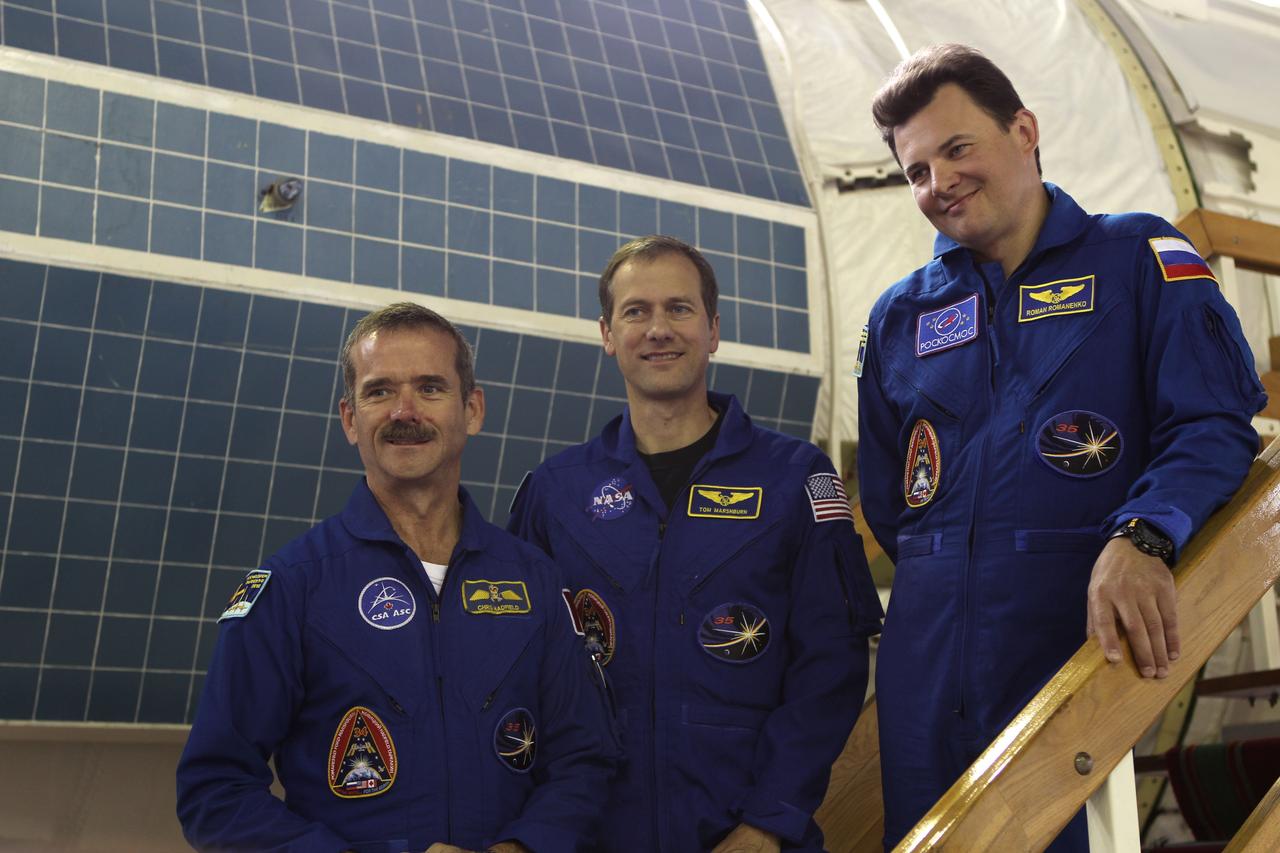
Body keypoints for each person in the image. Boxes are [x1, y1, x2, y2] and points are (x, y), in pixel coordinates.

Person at [857, 44, 1267, 849]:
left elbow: (1215, 425)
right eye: (915, 171)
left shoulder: (1139, 260)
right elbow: (889, 494)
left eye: (957, 148)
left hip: (1071, 636)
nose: (938, 183)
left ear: (1025, 129)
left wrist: (1143, 533)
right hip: (924, 655)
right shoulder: (898, 317)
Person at [176, 303, 618, 853]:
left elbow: (584, 760)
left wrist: (522, 848)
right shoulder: (292, 586)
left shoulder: (534, 583)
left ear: (473, 410)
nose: (404, 411)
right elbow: (214, 791)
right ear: (349, 418)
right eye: (380, 391)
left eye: (430, 388)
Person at [508, 235, 884, 852]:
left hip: (748, 835)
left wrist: (769, 823)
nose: (659, 329)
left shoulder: (795, 479)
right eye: (636, 312)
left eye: (679, 309)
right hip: (589, 835)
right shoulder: (555, 494)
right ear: (607, 333)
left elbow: (831, 669)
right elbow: (519, 673)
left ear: (713, 330)